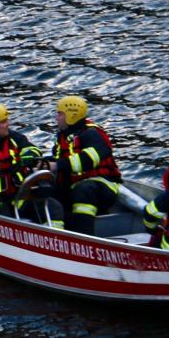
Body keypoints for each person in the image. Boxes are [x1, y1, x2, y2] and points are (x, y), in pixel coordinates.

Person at [50, 95, 123, 235]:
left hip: (102, 186)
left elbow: (89, 159)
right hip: (75, 186)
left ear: (71, 115)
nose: (56, 117)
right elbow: (61, 162)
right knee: (46, 191)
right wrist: (46, 164)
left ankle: (84, 237)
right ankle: (54, 235)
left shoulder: (92, 134)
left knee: (84, 190)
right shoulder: (63, 137)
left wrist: (57, 165)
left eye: (60, 113)